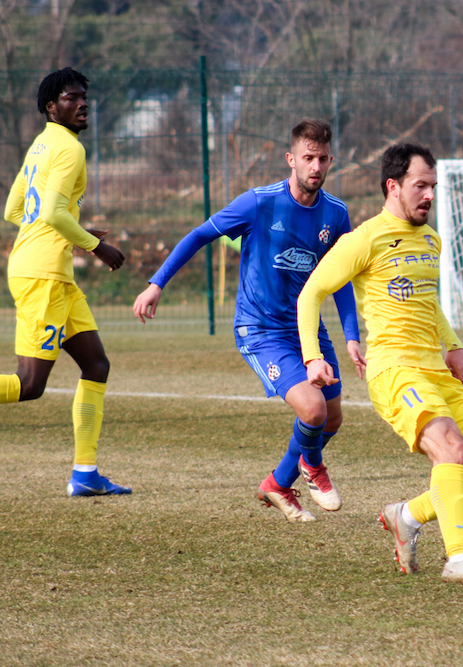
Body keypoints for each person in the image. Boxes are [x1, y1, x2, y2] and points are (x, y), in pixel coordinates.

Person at [297, 143, 463, 585]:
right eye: (420, 185)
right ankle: (459, 558)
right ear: (393, 186)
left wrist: (453, 345)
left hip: (435, 368)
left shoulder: (431, 239)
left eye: (433, 186)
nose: (430, 195)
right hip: (394, 370)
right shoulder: (364, 239)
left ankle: (408, 515)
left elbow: (428, 302)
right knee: (451, 449)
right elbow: (311, 293)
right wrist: (313, 357)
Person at [133, 118, 362, 522]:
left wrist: (352, 336)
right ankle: (312, 466)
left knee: (333, 417)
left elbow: (340, 279)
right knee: (313, 411)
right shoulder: (258, 203)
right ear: (291, 159)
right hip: (261, 330)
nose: (316, 166)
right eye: (308, 157)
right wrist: (157, 283)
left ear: (331, 161)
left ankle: (277, 484)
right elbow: (199, 235)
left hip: (308, 329)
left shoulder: (336, 213)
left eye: (323, 159)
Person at [2, 68, 129, 497]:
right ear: (51, 106)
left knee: (96, 365)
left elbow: (15, 211)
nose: (82, 103)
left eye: (83, 96)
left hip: (50, 274)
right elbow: (52, 214)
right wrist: (97, 246)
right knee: (29, 385)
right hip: (43, 275)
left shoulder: (41, 144)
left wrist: (68, 232)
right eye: (72, 98)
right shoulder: (69, 149)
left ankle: (85, 474)